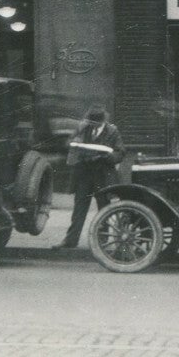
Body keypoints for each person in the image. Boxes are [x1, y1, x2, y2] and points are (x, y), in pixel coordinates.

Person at [59, 105, 126, 250]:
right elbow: (68, 143)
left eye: (95, 124)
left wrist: (108, 155)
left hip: (103, 175)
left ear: (102, 122)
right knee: (79, 209)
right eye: (91, 123)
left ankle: (102, 243)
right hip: (84, 174)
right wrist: (75, 142)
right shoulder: (83, 127)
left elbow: (120, 153)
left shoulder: (112, 131)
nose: (92, 126)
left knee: (104, 209)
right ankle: (70, 241)